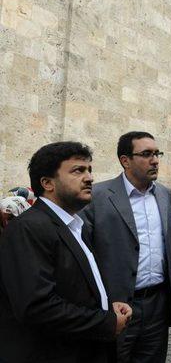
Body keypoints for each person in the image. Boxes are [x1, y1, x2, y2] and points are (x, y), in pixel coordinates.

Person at [0, 142, 132, 363]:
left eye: (89, 170)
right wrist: (106, 322)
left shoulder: (77, 226)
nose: (89, 178)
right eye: (78, 170)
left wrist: (106, 307)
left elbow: (73, 287)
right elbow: (37, 307)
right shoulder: (28, 228)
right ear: (47, 183)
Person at [80, 131, 171, 362]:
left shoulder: (164, 195)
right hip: (116, 307)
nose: (155, 160)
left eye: (157, 153)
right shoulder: (98, 197)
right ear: (125, 160)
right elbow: (83, 257)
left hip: (157, 304)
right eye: (146, 154)